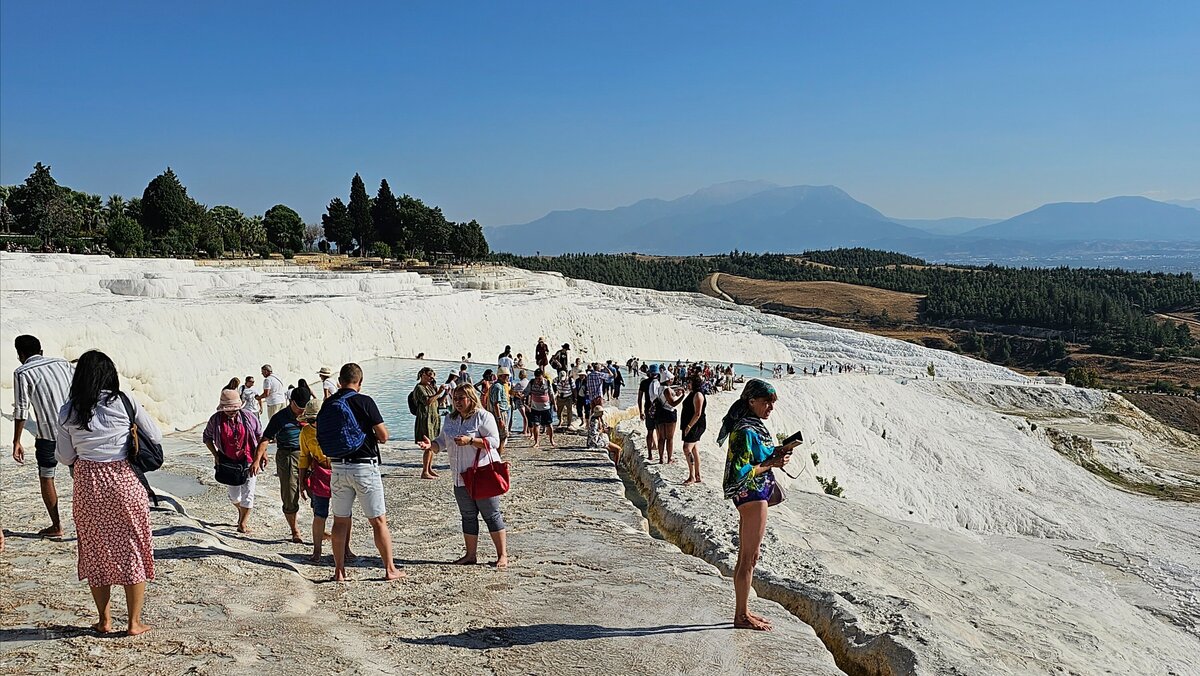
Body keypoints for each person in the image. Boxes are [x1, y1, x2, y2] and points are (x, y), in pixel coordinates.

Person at [55, 350, 160, 637]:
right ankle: (134, 623)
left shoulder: (68, 410)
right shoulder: (124, 401)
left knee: (95, 550)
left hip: (88, 484)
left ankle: (104, 619)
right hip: (125, 480)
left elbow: (64, 456)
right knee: (133, 548)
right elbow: (156, 436)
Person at [718, 379, 798, 631]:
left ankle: (743, 610)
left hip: (757, 494)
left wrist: (778, 452)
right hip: (751, 495)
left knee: (750, 556)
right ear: (751, 401)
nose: (770, 408)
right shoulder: (744, 430)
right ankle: (741, 615)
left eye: (772, 404)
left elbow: (758, 455)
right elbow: (742, 471)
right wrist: (772, 464)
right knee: (748, 558)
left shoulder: (753, 427)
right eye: (766, 402)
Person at [323, 363, 404, 582]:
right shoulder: (364, 401)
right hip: (364, 467)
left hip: (338, 467)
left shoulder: (329, 403)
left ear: (340, 381)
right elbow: (384, 435)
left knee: (339, 521)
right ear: (359, 382)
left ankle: (339, 571)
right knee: (378, 521)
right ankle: (390, 569)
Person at [416, 383, 507, 568]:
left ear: (471, 398)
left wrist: (471, 441)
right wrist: (430, 446)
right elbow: (441, 442)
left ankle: (502, 555)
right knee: (467, 516)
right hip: (459, 477)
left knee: (491, 515)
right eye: (454, 398)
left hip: (482, 474)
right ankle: (470, 555)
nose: (456, 402)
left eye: (461, 398)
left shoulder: (483, 416)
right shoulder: (450, 418)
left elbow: (494, 442)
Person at [11, 334, 73, 538]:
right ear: (41, 351)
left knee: (47, 476)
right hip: (74, 430)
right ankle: (90, 524)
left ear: (20, 355)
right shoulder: (62, 363)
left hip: (48, 434)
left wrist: (17, 441)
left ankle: (56, 526)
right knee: (81, 476)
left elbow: (21, 409)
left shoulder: (22, 372)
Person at [297, 398, 350, 564]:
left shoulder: (338, 427)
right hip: (320, 474)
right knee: (319, 514)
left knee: (344, 515)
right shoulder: (305, 433)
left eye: (317, 419)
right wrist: (301, 482)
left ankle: (346, 548)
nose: (315, 423)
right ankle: (317, 549)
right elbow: (304, 457)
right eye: (312, 420)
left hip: (340, 471)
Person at [203, 389, 264, 533]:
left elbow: (261, 437)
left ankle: (242, 524)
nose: (232, 412)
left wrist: (260, 457)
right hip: (228, 461)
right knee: (234, 496)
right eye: (228, 409)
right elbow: (207, 437)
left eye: (235, 409)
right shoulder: (216, 420)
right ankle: (242, 511)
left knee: (248, 493)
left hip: (249, 459)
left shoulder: (248, 417)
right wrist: (216, 455)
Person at [257, 387, 310, 543]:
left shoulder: (311, 414)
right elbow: (265, 438)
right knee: (289, 493)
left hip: (309, 454)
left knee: (317, 491)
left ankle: (319, 528)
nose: (302, 410)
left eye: (304, 407)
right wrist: (257, 458)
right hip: (288, 455)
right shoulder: (279, 417)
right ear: (291, 402)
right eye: (300, 407)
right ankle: (295, 531)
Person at [413, 367, 446, 480]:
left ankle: (429, 468)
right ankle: (425, 471)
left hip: (433, 418)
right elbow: (427, 401)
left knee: (432, 443)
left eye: (432, 376)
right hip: (425, 419)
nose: (431, 378)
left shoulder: (431, 387)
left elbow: (438, 402)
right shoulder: (419, 388)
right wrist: (439, 392)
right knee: (428, 444)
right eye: (429, 375)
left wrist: (445, 394)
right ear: (422, 374)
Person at [649, 370, 686, 464]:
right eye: (672, 379)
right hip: (669, 413)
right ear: (668, 379)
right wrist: (682, 396)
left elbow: (666, 397)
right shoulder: (667, 389)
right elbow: (672, 403)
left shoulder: (660, 387)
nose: (673, 380)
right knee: (669, 438)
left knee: (661, 437)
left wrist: (675, 394)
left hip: (660, 413)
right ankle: (669, 459)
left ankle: (661, 458)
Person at [680, 374, 708, 485]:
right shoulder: (692, 393)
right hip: (690, 423)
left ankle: (692, 476)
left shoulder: (698, 395)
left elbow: (697, 413)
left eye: (689, 382)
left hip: (695, 425)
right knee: (694, 449)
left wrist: (689, 426)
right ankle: (697, 475)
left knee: (687, 448)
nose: (688, 384)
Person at [525, 368, 554, 448]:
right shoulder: (531, 382)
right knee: (536, 425)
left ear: (542, 376)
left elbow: (551, 394)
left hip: (546, 408)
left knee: (549, 425)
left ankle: (551, 440)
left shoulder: (547, 382)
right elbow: (526, 392)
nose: (538, 380)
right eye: (536, 378)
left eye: (539, 378)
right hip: (535, 407)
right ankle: (536, 442)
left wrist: (555, 405)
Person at [487, 367, 513, 454]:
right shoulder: (498, 387)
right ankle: (498, 455)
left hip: (502, 412)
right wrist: (499, 418)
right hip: (500, 413)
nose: (507, 378)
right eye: (506, 376)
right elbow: (496, 404)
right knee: (502, 435)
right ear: (501, 376)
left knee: (502, 435)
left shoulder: (499, 385)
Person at [637, 366, 659, 460]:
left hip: (648, 409)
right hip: (659, 409)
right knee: (660, 432)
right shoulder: (659, 382)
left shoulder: (644, 383)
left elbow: (639, 398)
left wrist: (641, 411)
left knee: (650, 431)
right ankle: (661, 456)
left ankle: (650, 454)